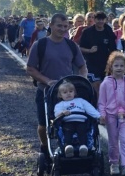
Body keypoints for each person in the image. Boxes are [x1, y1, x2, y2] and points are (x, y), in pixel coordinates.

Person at [26, 13, 88, 151]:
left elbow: (82, 66)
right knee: (43, 125)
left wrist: (82, 80)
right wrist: (47, 81)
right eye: (59, 26)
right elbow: (30, 69)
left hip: (67, 93)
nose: (62, 29)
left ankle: (69, 146)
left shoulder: (71, 45)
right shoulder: (40, 45)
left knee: (71, 120)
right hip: (45, 91)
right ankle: (45, 148)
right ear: (51, 25)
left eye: (65, 26)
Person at [98, 52, 125, 176]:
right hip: (111, 116)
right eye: (116, 65)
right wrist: (102, 114)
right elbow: (102, 101)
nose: (119, 68)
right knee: (113, 141)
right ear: (111, 67)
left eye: (121, 66)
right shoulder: (105, 83)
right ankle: (114, 163)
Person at [53, 80, 101, 156]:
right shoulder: (60, 105)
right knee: (67, 132)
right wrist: (62, 113)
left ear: (74, 92)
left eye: (70, 91)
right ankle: (68, 147)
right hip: (67, 122)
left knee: (83, 132)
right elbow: (56, 113)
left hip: (81, 121)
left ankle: (83, 146)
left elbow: (90, 109)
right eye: (65, 92)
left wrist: (99, 116)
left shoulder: (81, 101)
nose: (68, 94)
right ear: (60, 95)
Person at [79, 11, 117, 93]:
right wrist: (89, 50)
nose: (101, 21)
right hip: (92, 65)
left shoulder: (108, 31)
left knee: (107, 88)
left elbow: (114, 50)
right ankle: (97, 101)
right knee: (96, 87)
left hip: (106, 65)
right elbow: (80, 48)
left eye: (102, 19)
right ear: (95, 20)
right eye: (98, 19)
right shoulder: (87, 32)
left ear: (105, 20)